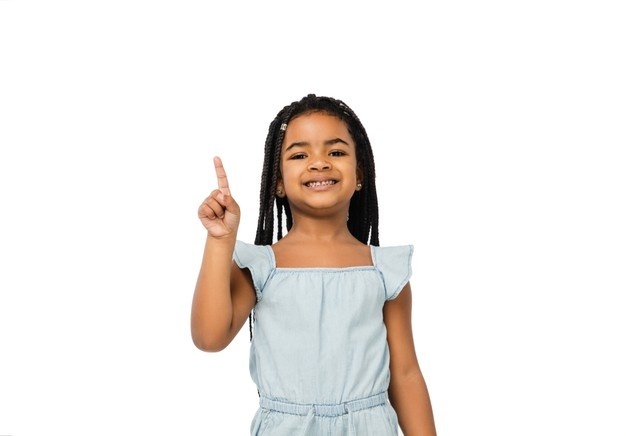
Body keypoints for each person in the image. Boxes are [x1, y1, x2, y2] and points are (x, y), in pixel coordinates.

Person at [191, 94, 437, 435]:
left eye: (335, 152)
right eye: (299, 154)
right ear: (278, 181)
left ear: (359, 174)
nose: (319, 163)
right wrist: (220, 241)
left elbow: (406, 374)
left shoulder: (384, 271)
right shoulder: (261, 268)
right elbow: (209, 337)